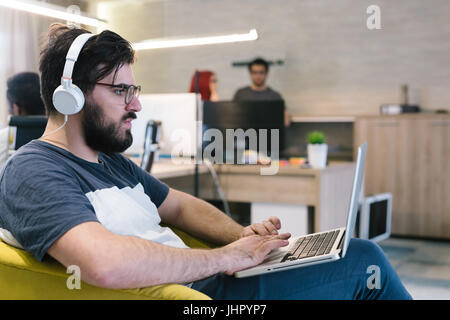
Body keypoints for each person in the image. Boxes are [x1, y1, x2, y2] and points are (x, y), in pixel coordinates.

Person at [0, 24, 412, 300]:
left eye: (134, 89)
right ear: (70, 95)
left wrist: (243, 238)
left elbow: (179, 204)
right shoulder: (35, 169)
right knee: (363, 263)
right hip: (203, 296)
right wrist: (227, 257)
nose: (137, 104)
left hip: (213, 280)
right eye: (121, 90)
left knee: (347, 254)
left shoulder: (110, 162)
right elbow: (102, 264)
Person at [234, 57, 290, 127]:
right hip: (245, 135)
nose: (258, 76)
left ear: (266, 74)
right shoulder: (241, 94)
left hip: (268, 135)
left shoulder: (275, 96)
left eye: (261, 72)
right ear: (250, 74)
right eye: (254, 72)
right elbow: (233, 118)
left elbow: (286, 121)